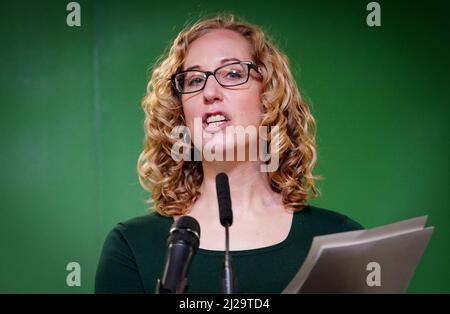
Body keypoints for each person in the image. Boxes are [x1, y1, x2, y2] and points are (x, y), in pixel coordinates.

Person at [95, 14, 363, 294]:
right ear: (180, 113)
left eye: (233, 73)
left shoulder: (340, 240)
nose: (210, 91)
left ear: (269, 96)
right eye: (194, 80)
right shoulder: (132, 247)